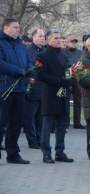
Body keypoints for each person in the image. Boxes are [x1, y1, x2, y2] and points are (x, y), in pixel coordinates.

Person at [36, 29, 76, 164]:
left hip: (63, 95)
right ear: (48, 41)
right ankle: (46, 153)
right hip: (50, 95)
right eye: (56, 38)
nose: (59, 40)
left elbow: (69, 72)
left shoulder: (64, 56)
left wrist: (72, 80)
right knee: (47, 126)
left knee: (61, 126)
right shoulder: (43, 56)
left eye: (60, 38)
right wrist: (59, 81)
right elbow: (41, 75)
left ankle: (60, 152)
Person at [0, 18, 33, 164]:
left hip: (19, 88)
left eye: (19, 27)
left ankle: (13, 154)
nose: (18, 30)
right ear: (6, 28)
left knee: (16, 122)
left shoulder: (20, 44)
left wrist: (30, 69)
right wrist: (17, 71)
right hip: (4, 88)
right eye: (15, 27)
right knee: (1, 122)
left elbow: (27, 59)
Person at [24, 29, 45, 149]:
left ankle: (39, 138)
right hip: (32, 89)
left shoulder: (45, 52)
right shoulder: (27, 51)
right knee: (30, 116)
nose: (43, 38)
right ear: (33, 37)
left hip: (43, 89)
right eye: (40, 36)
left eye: (44, 36)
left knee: (41, 117)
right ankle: (31, 140)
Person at [63, 35, 84, 129]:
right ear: (67, 43)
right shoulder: (63, 53)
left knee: (78, 101)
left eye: (75, 42)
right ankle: (66, 121)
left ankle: (77, 122)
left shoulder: (80, 53)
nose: (74, 43)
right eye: (72, 42)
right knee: (66, 101)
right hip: (67, 79)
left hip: (77, 80)